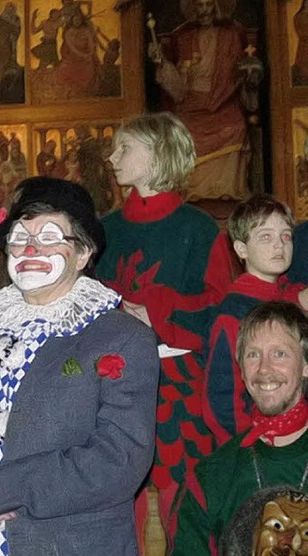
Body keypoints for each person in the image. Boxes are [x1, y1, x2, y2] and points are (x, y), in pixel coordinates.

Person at [0, 177, 160, 555]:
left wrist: (0, 491)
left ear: (84, 253)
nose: (32, 247)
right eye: (20, 237)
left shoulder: (123, 338)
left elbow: (119, 458)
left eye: (51, 235)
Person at [95, 112, 234, 549]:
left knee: (184, 504)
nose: (112, 156)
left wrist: (155, 313)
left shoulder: (198, 228)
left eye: (124, 148)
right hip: (109, 381)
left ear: (156, 156)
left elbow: (221, 308)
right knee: (115, 498)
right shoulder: (104, 230)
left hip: (178, 383)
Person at [169, 301, 308, 555]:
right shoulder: (210, 478)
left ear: (306, 366)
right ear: (241, 371)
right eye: (253, 354)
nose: (264, 369)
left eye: (279, 354)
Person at [203, 195, 308, 445]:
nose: (279, 246)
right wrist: (243, 445)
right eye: (266, 237)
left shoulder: (288, 293)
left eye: (286, 236)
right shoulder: (234, 311)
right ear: (241, 249)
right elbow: (220, 396)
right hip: (255, 439)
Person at [148, 0, 252, 201]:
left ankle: (226, 190)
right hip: (190, 102)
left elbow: (238, 72)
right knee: (183, 130)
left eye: (208, 5)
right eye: (199, 5)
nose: (204, 10)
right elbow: (177, 87)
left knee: (235, 124)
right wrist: (160, 60)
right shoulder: (183, 37)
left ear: (217, 6)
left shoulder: (231, 35)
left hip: (223, 98)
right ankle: (192, 191)